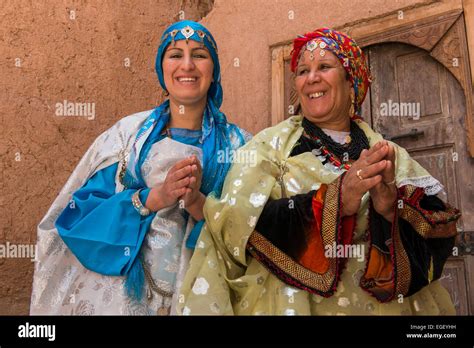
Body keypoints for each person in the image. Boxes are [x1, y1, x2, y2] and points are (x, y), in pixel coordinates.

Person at [177, 28, 461, 315]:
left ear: (351, 82)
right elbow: (235, 225)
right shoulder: (270, 146)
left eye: (324, 67)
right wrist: (335, 200)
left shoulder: (386, 153)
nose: (311, 78)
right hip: (294, 303)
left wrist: (389, 210)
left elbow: (441, 231)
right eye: (302, 71)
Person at [30, 20, 251, 315]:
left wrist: (198, 203)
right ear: (162, 69)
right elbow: (80, 215)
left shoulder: (241, 147)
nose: (187, 65)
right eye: (175, 55)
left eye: (199, 55)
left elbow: (253, 235)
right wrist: (153, 198)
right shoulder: (127, 137)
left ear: (214, 72)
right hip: (122, 298)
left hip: (202, 296)